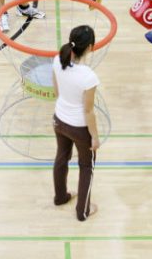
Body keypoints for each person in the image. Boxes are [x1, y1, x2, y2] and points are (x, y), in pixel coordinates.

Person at [52, 25, 100, 221]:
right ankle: (82, 211)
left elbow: (56, 91)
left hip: (59, 119)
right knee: (86, 167)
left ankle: (60, 197)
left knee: (61, 157)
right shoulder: (88, 76)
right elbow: (88, 111)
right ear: (89, 47)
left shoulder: (57, 60)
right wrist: (95, 137)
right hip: (79, 128)